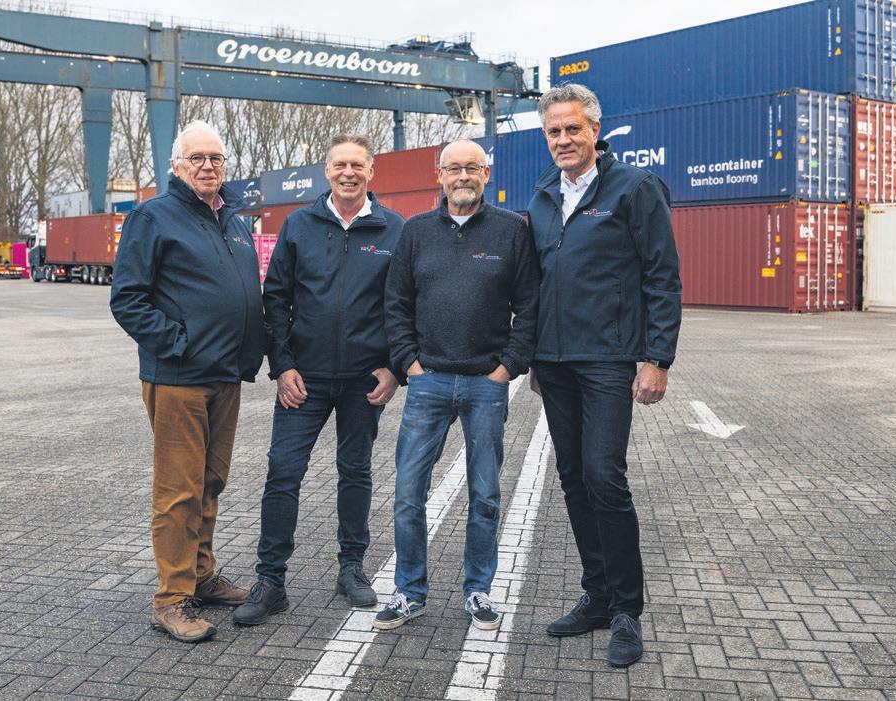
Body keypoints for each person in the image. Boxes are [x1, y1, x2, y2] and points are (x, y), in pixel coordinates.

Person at [526, 83, 682, 667]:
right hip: (554, 362)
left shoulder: (635, 189)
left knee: (603, 475)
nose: (563, 139)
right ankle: (596, 596)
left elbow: (662, 277)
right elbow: (537, 280)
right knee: (572, 476)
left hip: (608, 359)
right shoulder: (544, 194)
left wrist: (657, 359)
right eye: (554, 131)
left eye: (573, 128)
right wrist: (534, 357)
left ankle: (626, 611)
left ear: (595, 129)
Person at [233, 134, 405, 626]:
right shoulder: (299, 225)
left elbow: (403, 303)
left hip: (363, 381)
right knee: (283, 472)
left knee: (356, 471)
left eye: (357, 165)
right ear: (326, 171)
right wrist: (283, 365)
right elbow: (276, 298)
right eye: (339, 165)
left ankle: (351, 568)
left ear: (371, 171)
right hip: (303, 379)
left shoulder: (394, 229)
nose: (348, 172)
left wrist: (394, 367)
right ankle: (271, 581)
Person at [110, 121, 266, 643]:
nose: (207, 166)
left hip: (225, 375)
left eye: (215, 158)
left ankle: (201, 575)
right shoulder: (154, 216)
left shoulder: (232, 220)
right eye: (196, 158)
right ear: (176, 165)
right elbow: (127, 299)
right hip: (179, 377)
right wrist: (179, 343)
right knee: (178, 490)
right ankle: (171, 598)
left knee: (210, 481)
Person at [376, 139, 538, 632]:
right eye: (454, 168)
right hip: (427, 382)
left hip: (486, 384)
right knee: (408, 493)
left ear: (486, 174)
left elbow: (530, 306)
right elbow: (395, 303)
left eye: (472, 167)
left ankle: (478, 590)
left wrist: (507, 367)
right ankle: (410, 592)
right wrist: (410, 365)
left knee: (485, 494)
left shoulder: (512, 231)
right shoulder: (415, 232)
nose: (463, 176)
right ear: (439, 174)